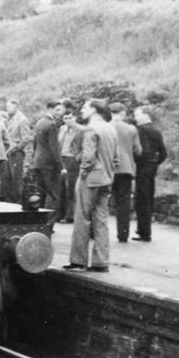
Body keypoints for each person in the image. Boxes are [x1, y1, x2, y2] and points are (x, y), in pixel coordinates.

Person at [64, 99, 119, 272]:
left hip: (91, 178)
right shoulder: (111, 128)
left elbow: (88, 157)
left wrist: (83, 173)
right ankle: (101, 262)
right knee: (101, 219)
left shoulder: (91, 129)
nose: (81, 110)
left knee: (82, 218)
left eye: (85, 107)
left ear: (94, 110)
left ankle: (78, 261)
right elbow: (116, 158)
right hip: (107, 177)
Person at [132, 106, 168, 242]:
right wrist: (155, 163)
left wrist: (138, 162)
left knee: (141, 199)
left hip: (142, 168)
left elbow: (143, 151)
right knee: (148, 198)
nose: (135, 118)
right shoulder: (156, 130)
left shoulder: (141, 130)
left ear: (145, 115)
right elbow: (164, 153)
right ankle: (144, 231)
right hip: (151, 168)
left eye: (137, 114)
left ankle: (144, 232)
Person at [110, 103, 142, 243]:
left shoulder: (105, 126)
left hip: (108, 168)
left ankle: (94, 232)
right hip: (126, 169)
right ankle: (123, 234)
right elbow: (138, 151)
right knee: (124, 203)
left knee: (101, 201)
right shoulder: (131, 129)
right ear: (123, 113)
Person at [32, 100, 64, 217]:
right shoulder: (52, 124)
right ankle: (49, 225)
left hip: (38, 162)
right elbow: (54, 148)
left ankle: (39, 222)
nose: (59, 113)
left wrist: (34, 159)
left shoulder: (40, 122)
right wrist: (61, 166)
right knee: (53, 195)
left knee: (41, 194)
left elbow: (35, 143)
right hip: (49, 165)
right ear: (50, 109)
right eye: (57, 110)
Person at [1, 99, 33, 204]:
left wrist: (16, 148)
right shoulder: (9, 119)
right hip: (8, 153)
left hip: (16, 153)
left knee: (16, 180)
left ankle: (17, 203)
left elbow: (26, 138)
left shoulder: (22, 120)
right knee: (7, 179)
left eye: (9, 107)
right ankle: (9, 203)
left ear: (15, 106)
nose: (7, 109)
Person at [57, 100, 81, 223]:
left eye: (70, 117)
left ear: (75, 117)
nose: (67, 120)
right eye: (65, 118)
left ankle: (70, 215)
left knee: (71, 188)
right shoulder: (62, 129)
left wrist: (77, 158)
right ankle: (60, 214)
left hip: (73, 159)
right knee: (61, 188)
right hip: (63, 158)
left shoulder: (80, 129)